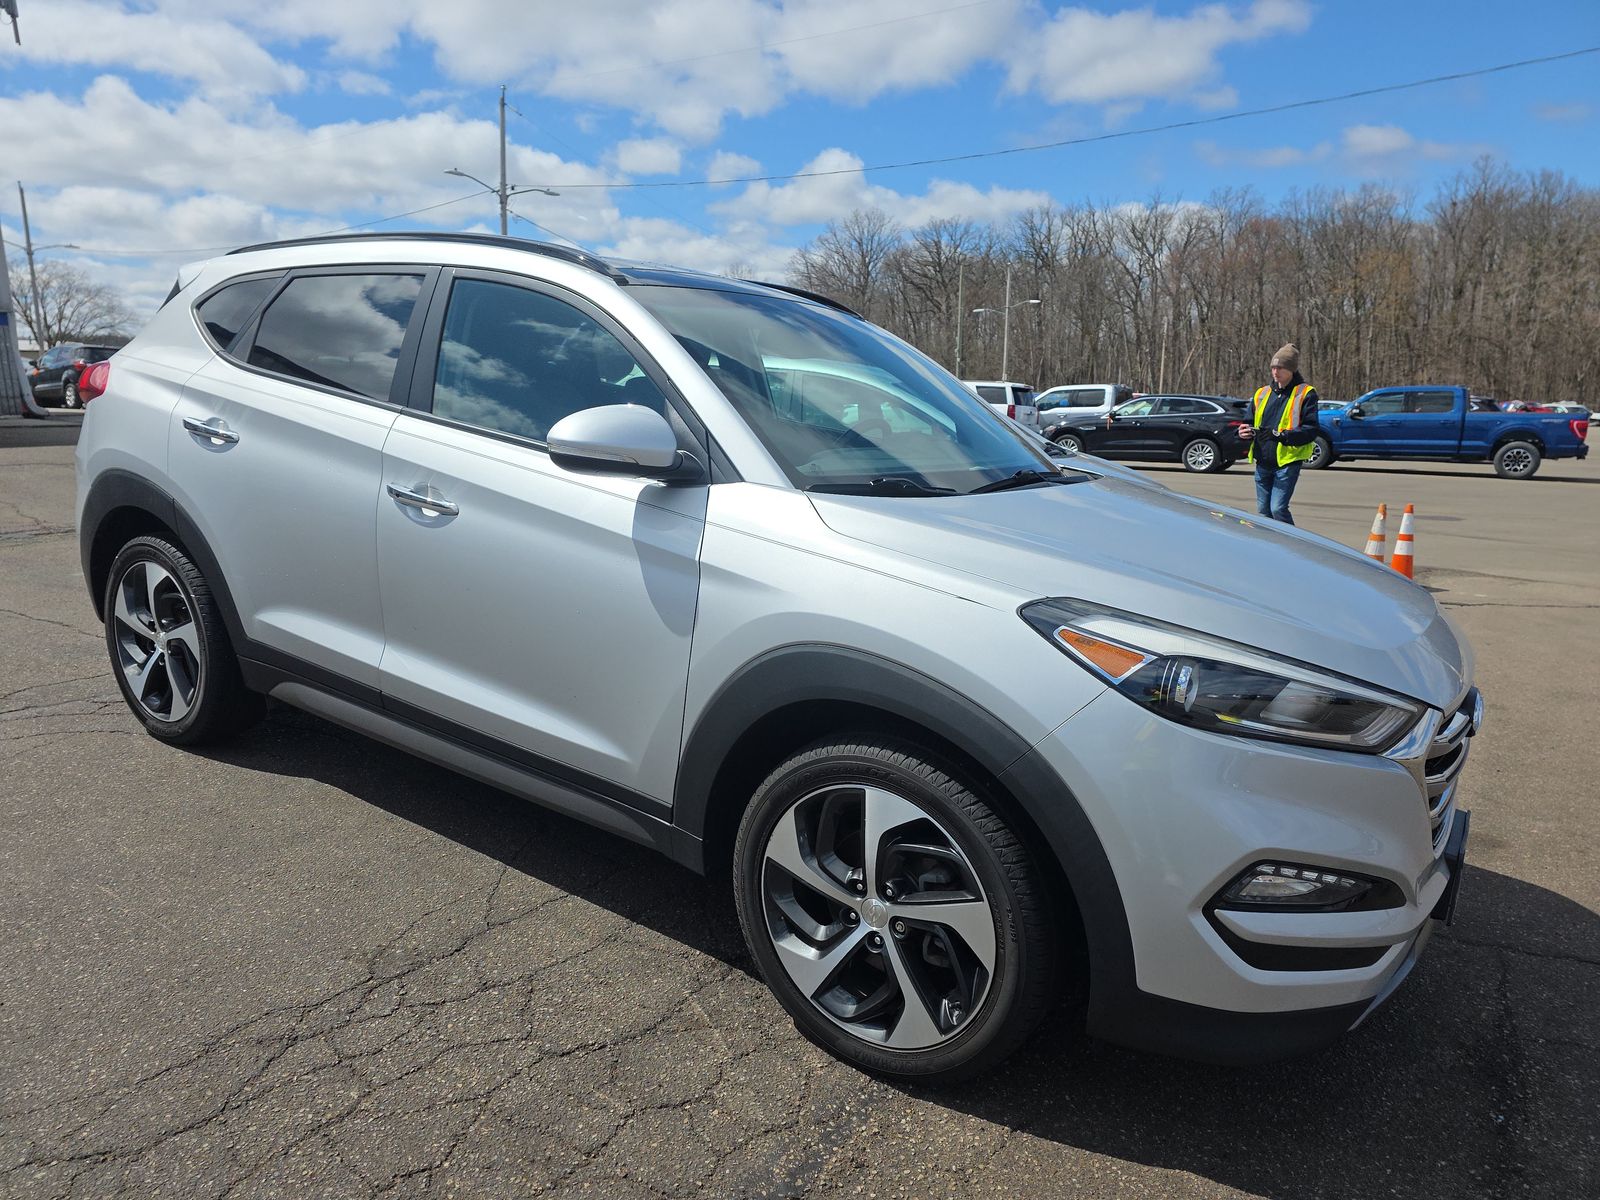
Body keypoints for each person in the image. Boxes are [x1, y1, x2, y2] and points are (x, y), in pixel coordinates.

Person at [1239, 343, 1319, 525]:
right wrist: (1243, 431)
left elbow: (1311, 429)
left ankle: (1292, 544)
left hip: (1287, 462)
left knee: (1278, 509)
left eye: (1280, 367)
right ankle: (1270, 549)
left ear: (1291, 369)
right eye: (1273, 367)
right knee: (1263, 512)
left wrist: (1282, 435)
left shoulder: (1305, 393)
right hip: (1262, 459)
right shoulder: (1262, 393)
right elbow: (1249, 421)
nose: (1275, 371)